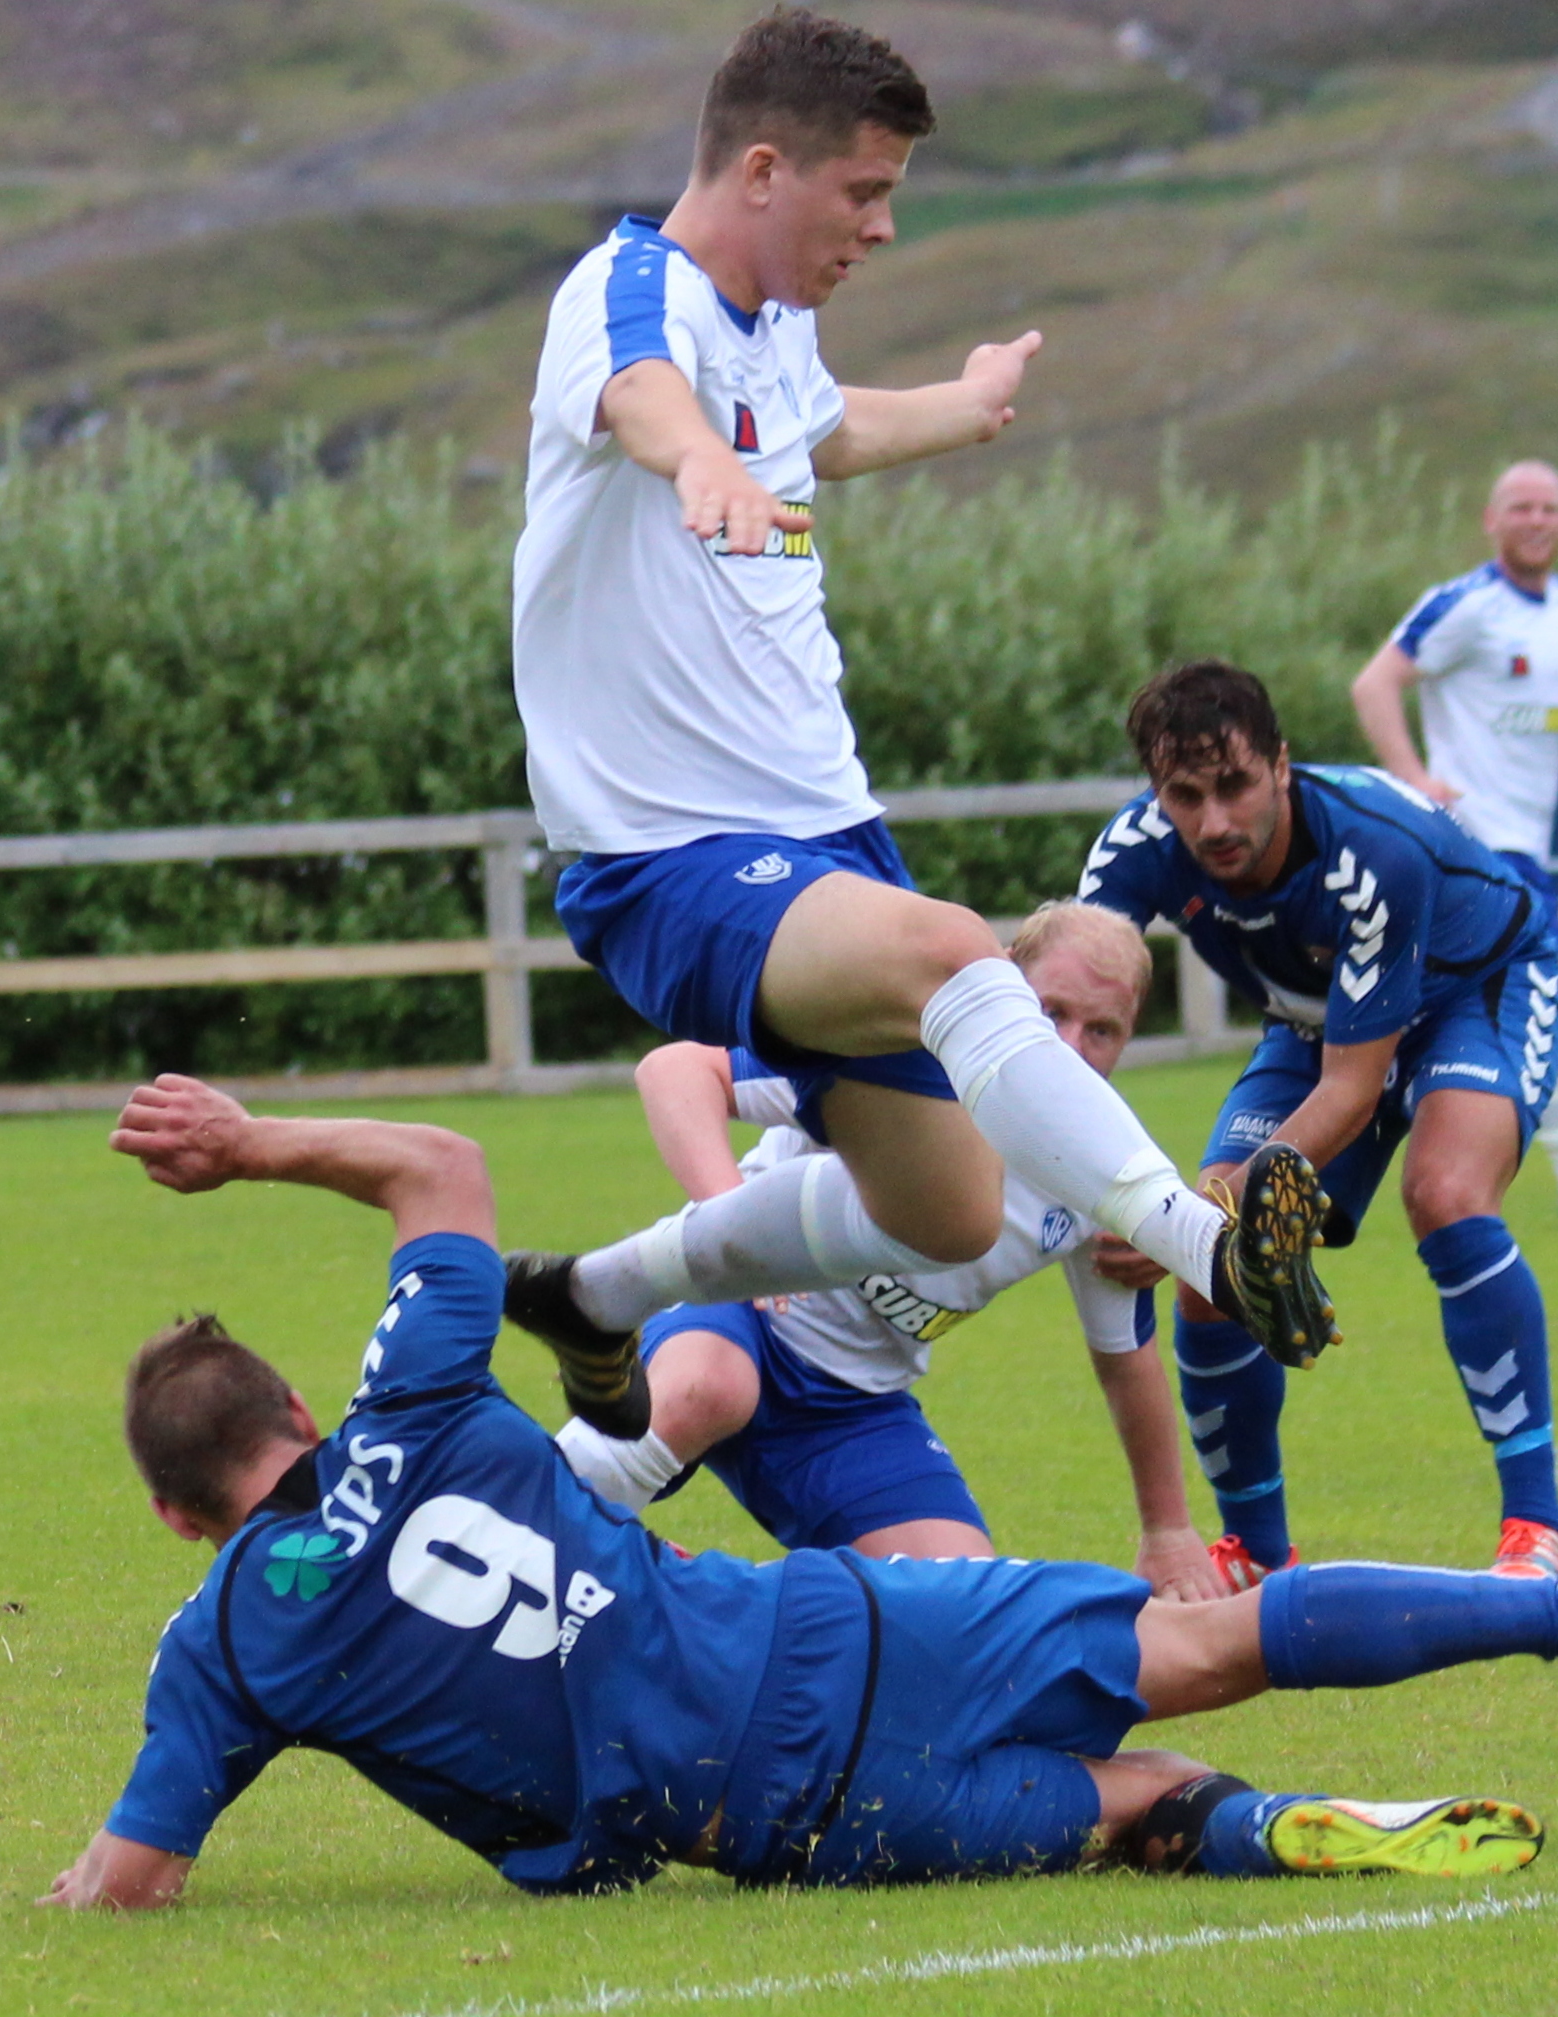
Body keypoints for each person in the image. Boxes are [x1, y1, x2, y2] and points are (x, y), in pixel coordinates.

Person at [40, 1075, 1558, 1910]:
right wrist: (244, 1145)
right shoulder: (412, 1405)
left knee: (1127, 1802)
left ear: (180, 1519)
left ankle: (1273, 1824)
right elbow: (441, 1165)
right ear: (291, 1404)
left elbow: (130, 1881)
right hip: (841, 1620)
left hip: (774, 1820)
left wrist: (69, 1899)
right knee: (1207, 1639)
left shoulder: (222, 1651)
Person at [503, 8, 1333, 1446]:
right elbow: (644, 396)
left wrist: (963, 404)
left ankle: (591, 1295)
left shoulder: (776, 325)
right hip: (671, 852)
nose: (882, 228)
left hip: (827, 831)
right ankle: (1206, 1243)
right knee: (960, 951)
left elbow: (818, 432)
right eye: (866, 192)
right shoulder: (629, 290)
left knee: (944, 1211)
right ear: (764, 170)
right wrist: (696, 462)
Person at [554, 903, 1233, 1602]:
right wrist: (729, 1229)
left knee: (962, 1609)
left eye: (1102, 1030)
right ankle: (512, 1532)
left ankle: (694, 1602)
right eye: (1050, 1011)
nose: (1069, 1046)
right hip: (732, 1321)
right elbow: (675, 1071)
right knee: (709, 1389)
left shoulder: (1104, 1169)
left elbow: (1125, 1358)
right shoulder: (893, 1058)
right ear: (1003, 986)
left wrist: (1168, 1531)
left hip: (852, 1405)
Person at [1078, 660, 1558, 1586]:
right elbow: (1073, 1011)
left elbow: (1352, 1091)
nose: (1213, 822)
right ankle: (1257, 1557)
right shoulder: (1134, 849)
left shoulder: (1371, 849)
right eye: (1184, 796)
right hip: (1318, 1019)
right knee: (1207, 1272)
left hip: (1478, 989)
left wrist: (1184, 1211)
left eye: (1234, 785)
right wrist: (1105, 1189)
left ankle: (1537, 1528)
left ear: (1281, 765)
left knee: (1444, 1194)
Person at [1351, 459, 1558, 1225]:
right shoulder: (1464, 604)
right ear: (1491, 520)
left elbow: (1548, 717)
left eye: (1549, 508)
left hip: (1525, 834)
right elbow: (1373, 684)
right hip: (1479, 835)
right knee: (1551, 990)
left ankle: (1386, 1126)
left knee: (1467, 999)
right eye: (1520, 507)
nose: (1536, 520)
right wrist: (1413, 779)